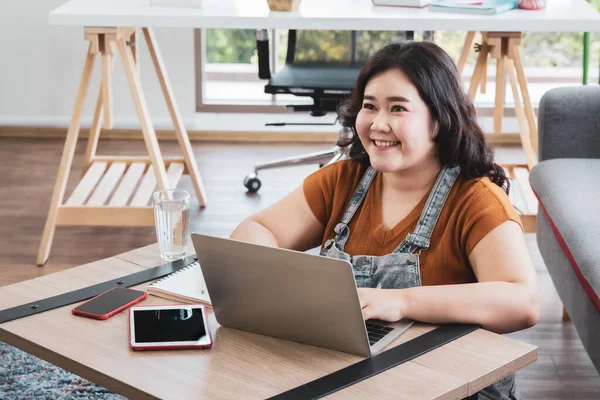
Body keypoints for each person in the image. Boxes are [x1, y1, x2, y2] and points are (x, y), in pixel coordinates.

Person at [230, 41, 539, 399]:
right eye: (369, 106)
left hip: (455, 386)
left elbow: (523, 302)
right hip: (360, 377)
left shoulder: (477, 199)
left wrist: (401, 301)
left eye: (398, 108)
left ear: (438, 120)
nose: (379, 124)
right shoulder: (342, 180)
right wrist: (285, 283)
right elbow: (254, 230)